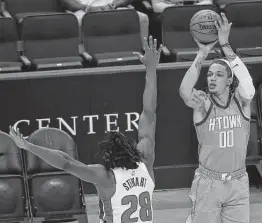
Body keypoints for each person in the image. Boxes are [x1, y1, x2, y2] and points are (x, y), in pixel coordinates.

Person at [9, 36, 162, 223]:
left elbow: (65, 162)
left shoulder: (104, 176)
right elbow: (149, 112)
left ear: (108, 158)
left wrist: (28, 146)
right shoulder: (145, 161)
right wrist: (152, 69)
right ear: (133, 150)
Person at [179, 13, 255, 223]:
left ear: (230, 80)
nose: (212, 78)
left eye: (219, 74)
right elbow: (185, 91)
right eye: (210, 74)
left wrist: (225, 45)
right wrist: (202, 54)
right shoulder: (203, 103)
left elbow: (247, 83)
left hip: (238, 182)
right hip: (208, 184)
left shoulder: (242, 102)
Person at [61, 0, 149, 43]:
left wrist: (113, 5)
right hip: (84, 9)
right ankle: (84, 55)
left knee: (141, 17)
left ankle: (143, 52)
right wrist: (86, 8)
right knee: (77, 21)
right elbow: (67, 1)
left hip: (113, 7)